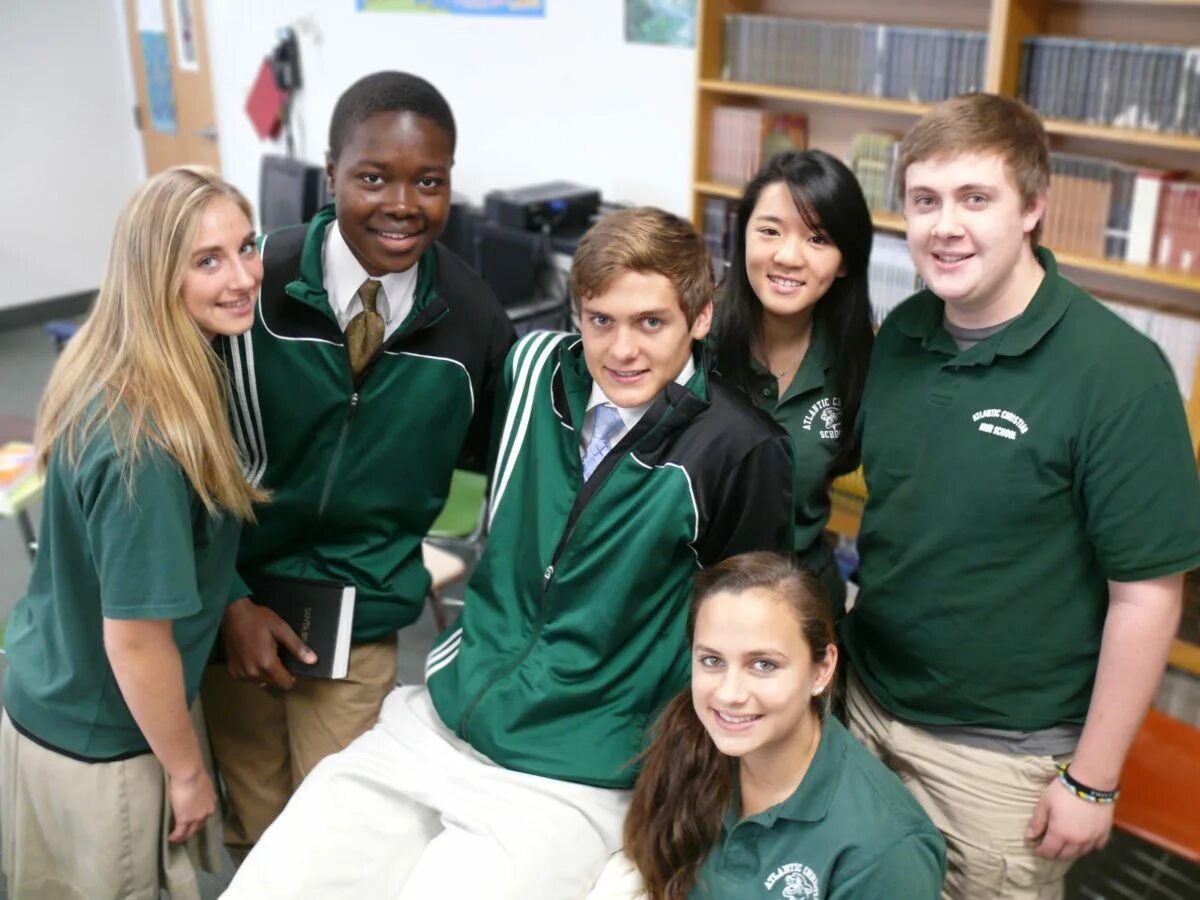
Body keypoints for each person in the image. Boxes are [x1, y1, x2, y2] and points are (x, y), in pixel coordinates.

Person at [223, 206, 795, 899]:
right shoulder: (529, 368)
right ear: (575, 314)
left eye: (651, 322)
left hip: (573, 766)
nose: (622, 350)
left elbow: (744, 635)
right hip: (444, 716)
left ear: (699, 318)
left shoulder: (740, 449)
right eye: (600, 320)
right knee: (273, 881)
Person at [840, 92, 1200, 899]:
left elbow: (1146, 596)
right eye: (925, 201)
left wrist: (1093, 780)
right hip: (865, 710)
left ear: (1034, 206)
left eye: (976, 198)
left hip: (1000, 761)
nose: (944, 226)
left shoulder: (1117, 374)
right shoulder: (903, 333)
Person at [200, 70, 515, 859]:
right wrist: (230, 599)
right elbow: (184, 459)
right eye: (372, 177)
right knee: (255, 821)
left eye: (429, 181)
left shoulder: (475, 321)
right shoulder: (253, 288)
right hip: (232, 609)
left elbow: (503, 472)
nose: (402, 204)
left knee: (338, 841)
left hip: (359, 619)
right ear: (330, 169)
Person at [0, 166, 265, 899]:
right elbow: (136, 639)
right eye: (207, 260)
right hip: (106, 742)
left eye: (246, 247)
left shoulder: (115, 359)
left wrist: (232, 597)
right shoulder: (148, 439)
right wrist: (187, 774)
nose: (242, 276)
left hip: (47, 691)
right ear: (155, 273)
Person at [618, 551, 945, 899]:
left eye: (763, 664)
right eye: (712, 660)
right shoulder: (689, 741)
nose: (729, 694)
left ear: (822, 669)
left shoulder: (886, 850)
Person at [712, 150, 875, 615]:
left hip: (804, 605)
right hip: (693, 603)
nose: (788, 256)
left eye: (817, 238)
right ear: (741, 235)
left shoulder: (862, 365)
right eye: (769, 230)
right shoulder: (692, 341)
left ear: (845, 261)